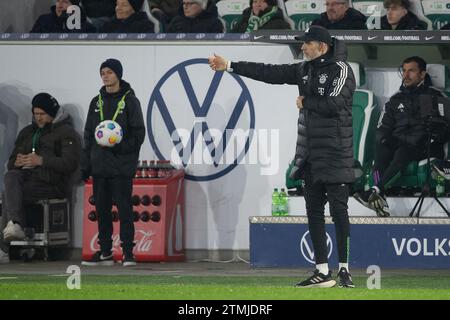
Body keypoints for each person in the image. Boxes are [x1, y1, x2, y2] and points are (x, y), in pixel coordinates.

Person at [208, 26, 356, 288]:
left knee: (339, 211)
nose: (302, 47)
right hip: (309, 154)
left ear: (322, 46)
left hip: (335, 153)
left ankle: (344, 269)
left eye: (306, 43)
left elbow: (336, 105)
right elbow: (269, 72)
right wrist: (230, 65)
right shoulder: (305, 70)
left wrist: (305, 102)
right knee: (314, 213)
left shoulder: (341, 70)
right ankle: (321, 271)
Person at [354, 56, 450, 217]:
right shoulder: (395, 99)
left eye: (411, 71)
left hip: (425, 145)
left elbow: (446, 126)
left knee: (403, 151)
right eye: (404, 70)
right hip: (400, 143)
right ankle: (379, 195)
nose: (406, 75)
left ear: (422, 74)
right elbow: (383, 127)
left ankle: (376, 189)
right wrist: (383, 138)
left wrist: (436, 135)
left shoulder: (435, 96)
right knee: (381, 149)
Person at [0, 93, 81, 264]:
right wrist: (18, 162)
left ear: (52, 113)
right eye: (35, 114)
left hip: (51, 183)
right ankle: (15, 225)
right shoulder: (27, 132)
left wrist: (41, 160)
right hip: (27, 180)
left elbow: (70, 163)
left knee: (9, 194)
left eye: (42, 114)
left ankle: (6, 246)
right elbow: (11, 162)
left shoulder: (66, 133)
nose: (38, 118)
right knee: (10, 176)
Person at [81, 59, 145, 267]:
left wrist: (119, 146)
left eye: (109, 72)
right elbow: (89, 135)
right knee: (102, 211)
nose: (105, 76)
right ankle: (106, 251)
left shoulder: (130, 102)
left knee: (125, 210)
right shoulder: (95, 102)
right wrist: (86, 164)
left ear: (118, 74)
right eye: (103, 73)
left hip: (121, 167)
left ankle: (128, 252)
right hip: (100, 166)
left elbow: (138, 134)